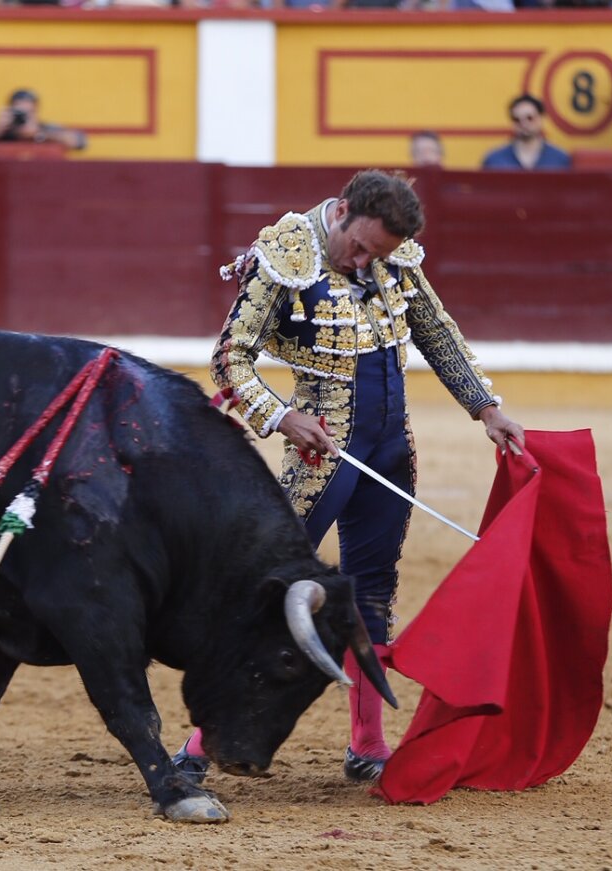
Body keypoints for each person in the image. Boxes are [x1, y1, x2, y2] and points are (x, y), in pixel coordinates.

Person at [171, 169, 525, 786]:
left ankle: (368, 741)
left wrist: (485, 407)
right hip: (321, 453)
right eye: (359, 247)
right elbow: (230, 357)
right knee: (269, 587)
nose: (365, 262)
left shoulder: (397, 258)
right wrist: (282, 416)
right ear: (339, 212)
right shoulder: (285, 255)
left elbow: (436, 331)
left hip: (390, 450)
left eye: (378, 254)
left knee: (374, 591)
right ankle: (203, 742)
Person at [481, 94, 571, 170]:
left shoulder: (560, 159)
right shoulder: (495, 160)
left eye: (530, 118)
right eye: (517, 120)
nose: (524, 124)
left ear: (541, 119)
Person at [0, 89, 87, 151]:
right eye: (19, 113)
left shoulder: (47, 129)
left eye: (29, 113)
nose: (24, 118)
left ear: (36, 113)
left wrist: (38, 134)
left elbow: (79, 141)